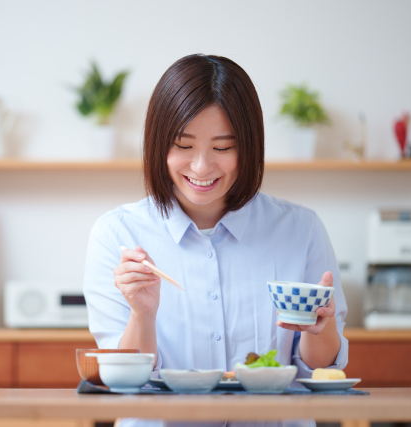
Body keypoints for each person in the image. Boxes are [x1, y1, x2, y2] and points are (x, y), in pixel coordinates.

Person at [83, 54, 348, 427]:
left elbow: (318, 371)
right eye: (183, 145)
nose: (202, 166)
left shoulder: (300, 230)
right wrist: (142, 313)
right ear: (157, 144)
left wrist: (321, 329)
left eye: (223, 148)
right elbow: (124, 386)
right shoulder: (117, 235)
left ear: (250, 146)